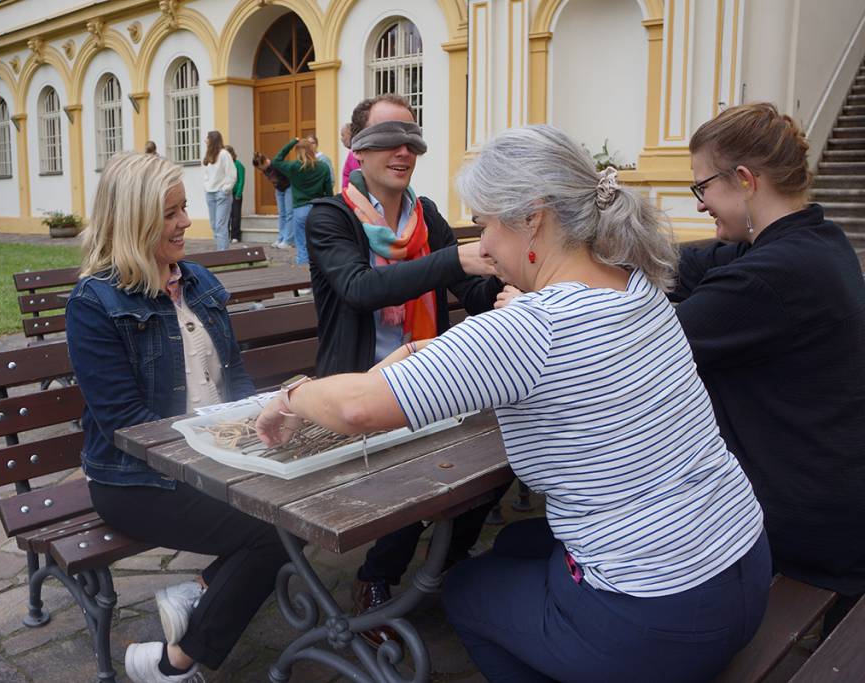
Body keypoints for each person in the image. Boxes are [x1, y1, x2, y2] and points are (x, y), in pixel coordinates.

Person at [258, 125, 771, 683]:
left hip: (656, 614)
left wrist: (292, 395)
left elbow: (357, 408)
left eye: (484, 225)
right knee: (515, 542)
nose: (484, 248)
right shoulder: (638, 285)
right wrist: (432, 355)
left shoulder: (535, 325)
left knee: (467, 589)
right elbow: (534, 362)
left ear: (532, 217)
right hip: (742, 563)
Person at [65, 151, 289, 683]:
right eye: (170, 212)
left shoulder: (199, 283)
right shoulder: (94, 304)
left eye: (184, 207)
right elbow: (128, 425)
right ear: (134, 220)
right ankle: (177, 662)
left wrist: (260, 432)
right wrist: (218, 459)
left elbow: (234, 382)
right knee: (275, 529)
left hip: (216, 456)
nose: (187, 221)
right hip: (136, 479)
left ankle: (199, 595)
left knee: (307, 506)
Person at [304, 93, 504, 647]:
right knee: (413, 478)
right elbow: (358, 289)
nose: (402, 151)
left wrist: (507, 287)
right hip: (358, 387)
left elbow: (470, 291)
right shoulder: (329, 216)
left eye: (411, 140)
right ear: (356, 147)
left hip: (429, 377)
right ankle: (374, 579)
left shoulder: (427, 216)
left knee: (495, 462)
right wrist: (451, 259)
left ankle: (450, 559)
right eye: (386, 139)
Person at [670, 102, 865, 631]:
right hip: (837, 496)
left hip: (804, 522)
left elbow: (643, 353)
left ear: (744, 180)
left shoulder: (770, 276)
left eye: (702, 187)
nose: (703, 203)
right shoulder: (818, 242)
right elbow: (694, 263)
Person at [271, 137, 332, 265]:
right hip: (318, 208)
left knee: (301, 245)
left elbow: (276, 161)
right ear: (312, 150)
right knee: (318, 242)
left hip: (300, 209)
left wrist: (293, 142)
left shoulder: (294, 167)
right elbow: (329, 192)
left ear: (298, 152)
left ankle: (304, 275)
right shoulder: (323, 167)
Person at [201, 130, 236, 251]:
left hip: (222, 194)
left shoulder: (224, 154)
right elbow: (206, 175)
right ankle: (220, 251)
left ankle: (223, 254)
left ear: (213, 140)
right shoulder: (209, 156)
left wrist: (225, 189)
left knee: (221, 225)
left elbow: (231, 174)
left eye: (207, 138)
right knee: (214, 225)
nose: (205, 140)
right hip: (210, 193)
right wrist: (206, 187)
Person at [252, 153, 294, 249]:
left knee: (289, 214)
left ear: (265, 162)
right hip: (279, 189)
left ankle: (288, 240)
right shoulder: (265, 168)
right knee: (281, 214)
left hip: (288, 187)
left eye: (260, 167)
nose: (260, 170)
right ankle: (281, 238)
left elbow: (289, 174)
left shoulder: (276, 164)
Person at [224, 145, 244, 244]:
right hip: (226, 194)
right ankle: (226, 235)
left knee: (235, 216)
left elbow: (241, 180)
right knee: (226, 216)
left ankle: (235, 236)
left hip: (236, 194)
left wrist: (239, 193)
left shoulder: (238, 164)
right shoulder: (225, 166)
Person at [339, 122, 360, 190]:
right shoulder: (352, 152)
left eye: (343, 135)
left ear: (350, 134)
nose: (341, 139)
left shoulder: (355, 154)